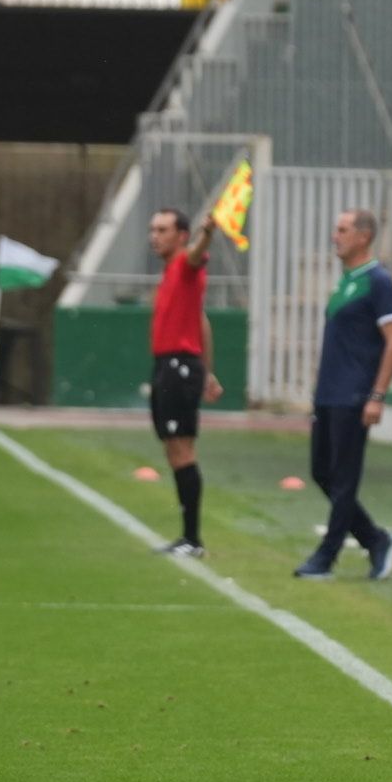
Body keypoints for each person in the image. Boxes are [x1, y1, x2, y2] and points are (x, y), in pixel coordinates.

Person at [293, 209, 392, 582]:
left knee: (343, 477)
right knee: (321, 472)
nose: (335, 236)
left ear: (363, 236)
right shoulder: (344, 282)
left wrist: (377, 394)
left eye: (342, 229)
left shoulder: (378, 281)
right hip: (328, 393)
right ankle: (376, 539)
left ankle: (327, 556)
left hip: (354, 394)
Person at [147, 208, 224, 558]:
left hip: (179, 365)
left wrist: (206, 233)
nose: (155, 236)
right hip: (169, 365)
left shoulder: (185, 264)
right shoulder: (170, 274)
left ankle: (193, 539)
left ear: (181, 235)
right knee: (172, 448)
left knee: (182, 449)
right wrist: (207, 371)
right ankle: (188, 537)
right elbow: (201, 320)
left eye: (162, 229)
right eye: (153, 230)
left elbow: (196, 254)